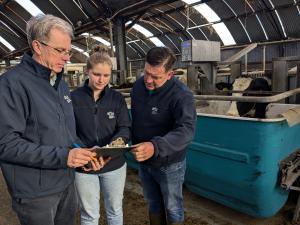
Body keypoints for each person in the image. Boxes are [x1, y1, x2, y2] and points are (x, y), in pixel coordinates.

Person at [0, 14, 103, 225]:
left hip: (65, 182)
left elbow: (67, 134)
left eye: (69, 51)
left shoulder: (60, 84)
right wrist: (65, 156)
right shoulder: (12, 84)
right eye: (60, 50)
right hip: (36, 192)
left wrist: (84, 154)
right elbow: (6, 144)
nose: (67, 57)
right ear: (37, 46)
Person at [131, 47, 197, 225]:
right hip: (145, 162)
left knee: (172, 207)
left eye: (156, 77)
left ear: (170, 74)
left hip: (170, 164)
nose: (148, 80)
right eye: (146, 73)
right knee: (153, 203)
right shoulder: (138, 87)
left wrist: (155, 146)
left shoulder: (181, 95)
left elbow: (187, 130)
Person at [71, 45, 131, 225]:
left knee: (115, 210)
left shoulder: (116, 98)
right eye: (97, 74)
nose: (101, 79)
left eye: (106, 75)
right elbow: (68, 131)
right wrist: (85, 152)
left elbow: (125, 128)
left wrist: (108, 149)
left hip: (114, 164)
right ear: (88, 71)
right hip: (84, 165)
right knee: (89, 214)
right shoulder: (73, 98)